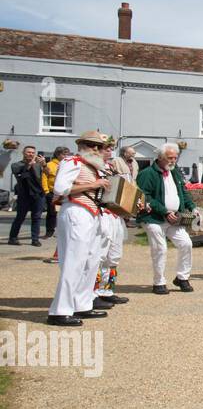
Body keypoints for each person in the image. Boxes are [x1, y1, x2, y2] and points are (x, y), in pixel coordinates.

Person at [47, 131, 114, 327]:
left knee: (91, 260)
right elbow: (60, 189)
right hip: (76, 210)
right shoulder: (72, 161)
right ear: (88, 146)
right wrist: (94, 184)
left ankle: (82, 304)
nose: (99, 151)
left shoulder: (91, 166)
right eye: (96, 146)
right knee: (74, 262)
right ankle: (59, 310)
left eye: (99, 147)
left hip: (91, 213)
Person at [136, 142, 196, 295]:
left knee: (186, 244)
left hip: (175, 218)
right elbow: (144, 195)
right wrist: (164, 211)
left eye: (175, 158)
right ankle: (159, 282)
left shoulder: (175, 172)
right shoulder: (147, 173)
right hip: (153, 218)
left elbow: (183, 192)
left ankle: (182, 277)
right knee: (160, 248)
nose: (173, 161)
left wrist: (192, 206)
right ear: (160, 157)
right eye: (170, 158)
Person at [93, 141, 136, 308]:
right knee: (100, 255)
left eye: (111, 148)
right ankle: (93, 293)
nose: (110, 151)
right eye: (107, 148)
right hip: (101, 215)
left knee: (114, 255)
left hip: (115, 215)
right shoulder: (92, 168)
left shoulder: (111, 168)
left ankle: (107, 290)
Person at [7, 145, 45, 246]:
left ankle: (35, 239)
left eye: (33, 152)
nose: (31, 154)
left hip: (38, 194)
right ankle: (13, 238)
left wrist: (44, 165)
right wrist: (28, 166)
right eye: (28, 152)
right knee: (20, 217)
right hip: (24, 195)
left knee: (37, 217)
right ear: (23, 153)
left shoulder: (38, 165)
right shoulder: (16, 165)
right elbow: (21, 177)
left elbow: (48, 174)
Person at [42, 146, 67, 239]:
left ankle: (60, 231)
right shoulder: (50, 165)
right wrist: (46, 191)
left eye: (67, 154)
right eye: (64, 154)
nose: (66, 156)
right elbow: (44, 178)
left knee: (63, 213)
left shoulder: (67, 165)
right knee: (51, 213)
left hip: (65, 192)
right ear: (57, 154)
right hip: (52, 192)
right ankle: (49, 231)